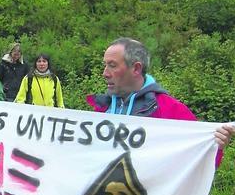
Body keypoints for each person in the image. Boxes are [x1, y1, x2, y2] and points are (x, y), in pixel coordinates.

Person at [88, 37, 233, 166]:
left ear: (136, 69)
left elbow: (200, 161)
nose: (105, 73)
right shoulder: (101, 109)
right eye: (105, 65)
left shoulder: (170, 110)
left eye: (112, 65)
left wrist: (216, 146)